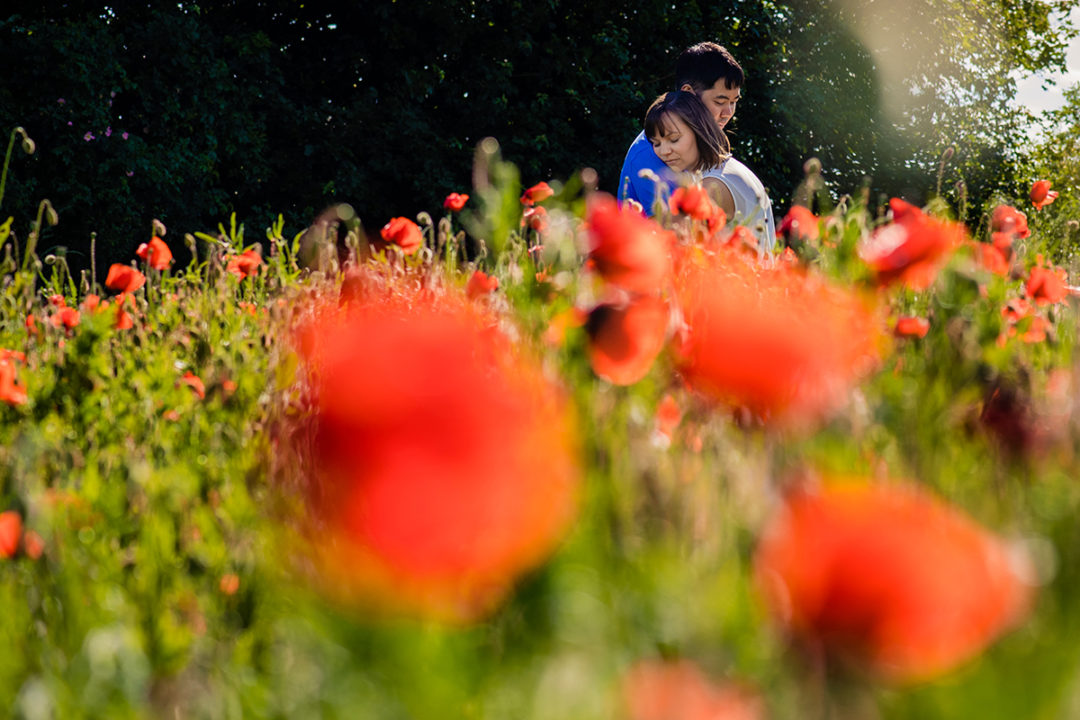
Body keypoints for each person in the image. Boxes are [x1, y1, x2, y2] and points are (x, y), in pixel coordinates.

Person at [619, 42, 776, 249]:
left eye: (734, 101)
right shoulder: (652, 153)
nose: (729, 112)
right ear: (689, 93)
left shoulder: (716, 175)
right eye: (720, 102)